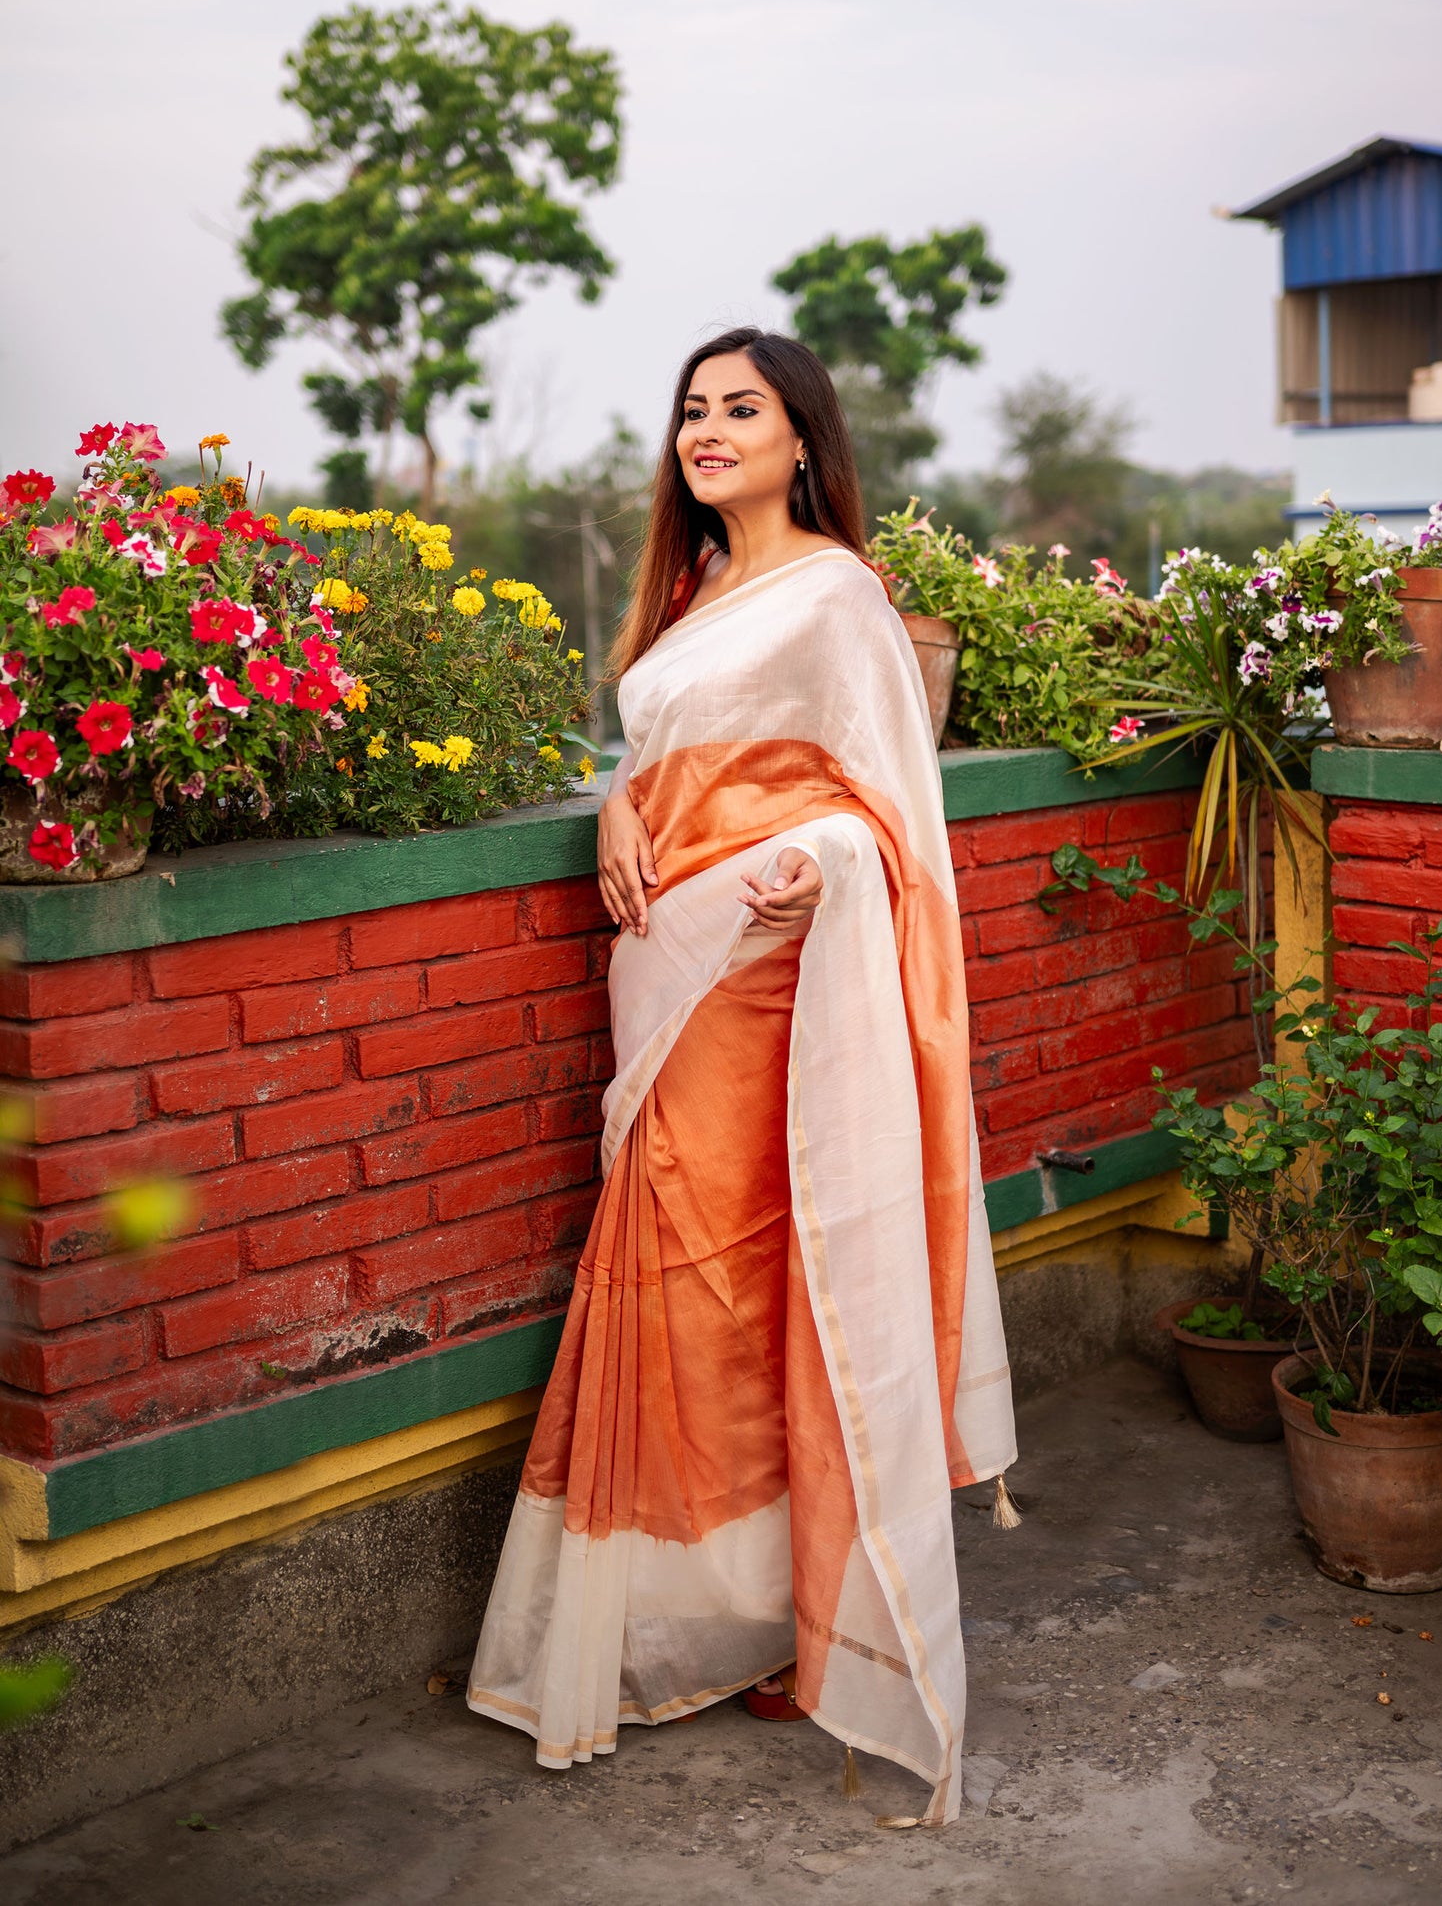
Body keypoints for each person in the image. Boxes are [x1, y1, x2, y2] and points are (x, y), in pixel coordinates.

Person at [468, 326, 1015, 1824]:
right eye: (691, 410)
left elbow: (890, 819)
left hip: (766, 969)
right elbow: (661, 756)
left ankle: (800, 1606)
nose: (707, 430)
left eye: (740, 409)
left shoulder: (838, 592)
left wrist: (818, 858)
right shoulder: (696, 589)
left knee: (753, 1272)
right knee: (671, 1272)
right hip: (660, 964)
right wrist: (607, 806)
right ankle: (689, 1613)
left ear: (798, 438)